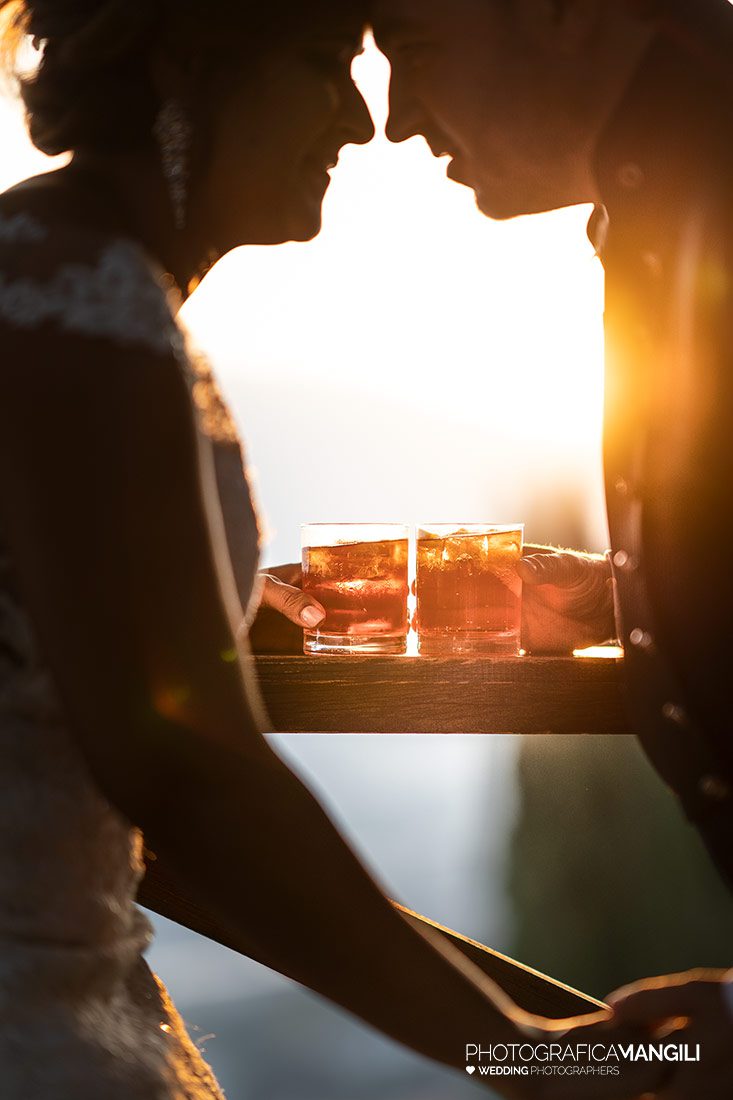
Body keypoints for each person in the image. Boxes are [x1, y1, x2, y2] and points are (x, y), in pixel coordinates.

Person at [0, 1, 639, 1096]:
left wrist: (611, 607)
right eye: (325, 62)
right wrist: (522, 1047)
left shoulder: (66, 279)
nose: (362, 120)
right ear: (186, 60)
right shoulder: (80, 311)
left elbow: (183, 634)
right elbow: (185, 767)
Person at [369, 0, 733, 1095]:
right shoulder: (664, 202)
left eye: (414, 48)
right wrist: (619, 596)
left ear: (564, 11)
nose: (392, 119)